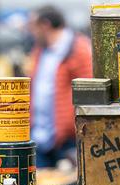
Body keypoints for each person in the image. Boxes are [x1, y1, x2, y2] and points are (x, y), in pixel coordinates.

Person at [28, 5, 92, 167]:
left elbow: (89, 95)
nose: (32, 32)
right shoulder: (40, 50)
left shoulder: (78, 49)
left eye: (34, 27)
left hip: (67, 140)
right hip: (40, 137)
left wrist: (70, 129)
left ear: (45, 25)